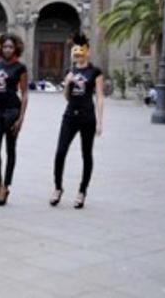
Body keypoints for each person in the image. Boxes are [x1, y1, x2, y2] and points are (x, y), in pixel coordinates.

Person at [50, 32, 104, 210]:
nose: (78, 54)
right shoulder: (70, 71)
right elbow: (66, 97)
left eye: (82, 50)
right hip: (69, 116)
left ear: (87, 51)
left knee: (86, 154)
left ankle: (82, 191)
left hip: (87, 116)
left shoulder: (95, 72)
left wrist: (100, 122)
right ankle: (58, 188)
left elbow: (100, 97)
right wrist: (67, 84)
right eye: (76, 51)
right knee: (60, 152)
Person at [0, 33, 28, 206]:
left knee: (10, 149)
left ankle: (6, 187)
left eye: (10, 47)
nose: (7, 49)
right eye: (5, 46)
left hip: (13, 111)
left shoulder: (20, 68)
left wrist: (21, 118)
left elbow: (25, 93)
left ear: (16, 49)